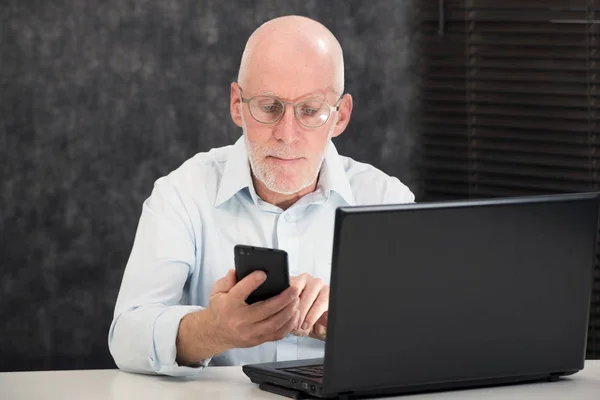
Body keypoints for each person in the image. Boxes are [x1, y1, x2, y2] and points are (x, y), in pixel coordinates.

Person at [108, 15, 415, 376]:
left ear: (340, 116)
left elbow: (424, 339)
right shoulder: (182, 193)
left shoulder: (384, 199)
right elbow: (127, 336)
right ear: (238, 104)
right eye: (269, 107)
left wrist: (353, 324)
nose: (287, 134)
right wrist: (212, 330)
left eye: (310, 110)